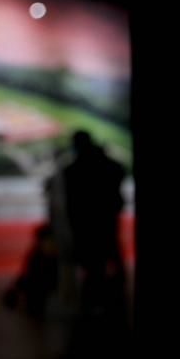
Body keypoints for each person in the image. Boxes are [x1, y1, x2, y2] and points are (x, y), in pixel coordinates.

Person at [61, 131, 125, 316]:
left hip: (87, 223)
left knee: (94, 264)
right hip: (105, 220)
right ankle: (113, 298)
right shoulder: (105, 164)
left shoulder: (74, 169)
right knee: (108, 258)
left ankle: (97, 301)